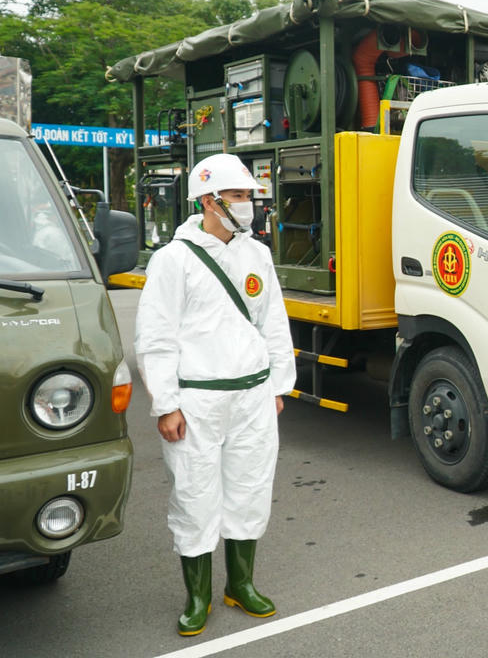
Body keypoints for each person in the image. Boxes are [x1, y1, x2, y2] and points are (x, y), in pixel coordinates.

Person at [134, 152, 296, 637]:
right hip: (198, 399)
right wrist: (166, 404)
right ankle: (198, 596)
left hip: (252, 395)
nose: (248, 204)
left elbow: (273, 322)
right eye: (238, 195)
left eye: (249, 195)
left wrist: (278, 385)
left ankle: (240, 584)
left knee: (249, 489)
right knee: (195, 493)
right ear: (209, 200)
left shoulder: (256, 254)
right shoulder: (174, 260)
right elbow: (155, 337)